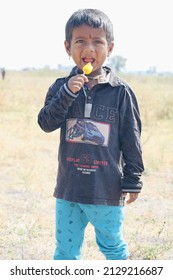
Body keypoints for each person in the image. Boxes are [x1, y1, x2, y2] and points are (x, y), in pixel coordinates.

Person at [38, 8, 144, 260]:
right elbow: (45, 123)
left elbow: (132, 138)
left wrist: (133, 179)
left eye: (98, 41)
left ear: (110, 47)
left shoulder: (120, 92)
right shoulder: (59, 87)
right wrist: (66, 94)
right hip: (69, 189)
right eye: (80, 41)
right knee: (65, 251)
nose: (89, 48)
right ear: (67, 47)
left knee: (113, 248)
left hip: (106, 190)